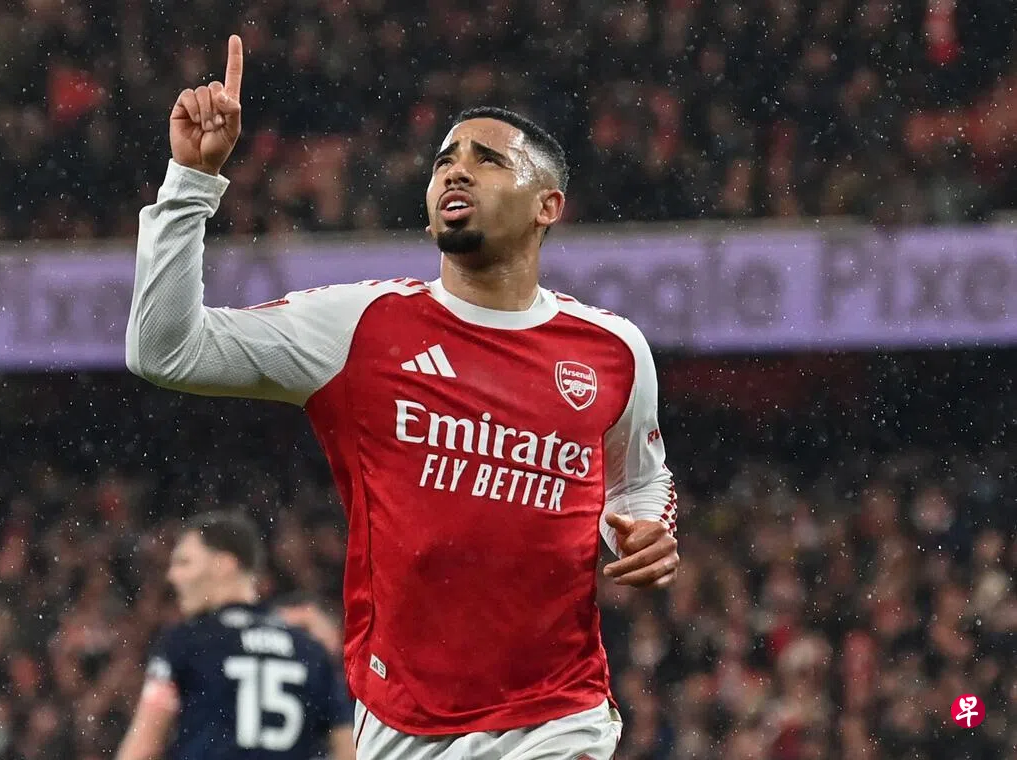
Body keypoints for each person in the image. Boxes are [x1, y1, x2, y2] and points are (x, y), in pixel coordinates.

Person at [126, 35, 680, 760]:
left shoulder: (613, 350)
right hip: (400, 722)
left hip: (557, 715)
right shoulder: (360, 326)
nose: (456, 169)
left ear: (548, 205)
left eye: (488, 159)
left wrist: (647, 529)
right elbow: (166, 350)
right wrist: (191, 183)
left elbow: (642, 481)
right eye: (445, 160)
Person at [115, 511, 355, 760]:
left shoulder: (187, 642)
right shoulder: (309, 649)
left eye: (184, 562)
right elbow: (347, 749)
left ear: (224, 564)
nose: (173, 576)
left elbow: (141, 749)